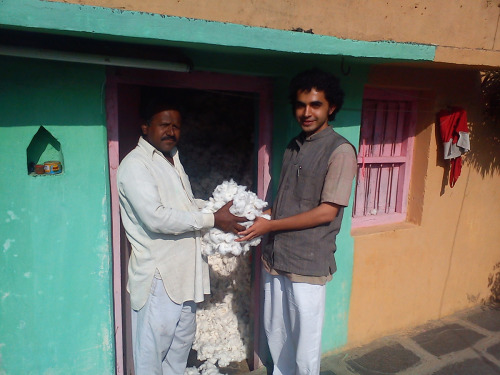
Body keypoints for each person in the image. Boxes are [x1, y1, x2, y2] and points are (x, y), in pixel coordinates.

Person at [238, 68, 357, 375]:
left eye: (315, 105)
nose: (307, 112)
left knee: (304, 344)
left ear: (331, 107)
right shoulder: (294, 145)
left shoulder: (340, 151)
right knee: (276, 332)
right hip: (276, 257)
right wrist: (263, 217)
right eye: (301, 105)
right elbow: (286, 199)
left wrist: (270, 226)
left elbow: (326, 212)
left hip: (307, 260)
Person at [117, 98, 245, 375]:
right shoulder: (135, 165)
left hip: (185, 274)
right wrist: (212, 219)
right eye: (164, 125)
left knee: (178, 350)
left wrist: (212, 208)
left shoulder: (173, 159)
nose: (171, 132)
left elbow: (183, 206)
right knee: (152, 356)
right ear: (145, 127)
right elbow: (157, 217)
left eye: (176, 126)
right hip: (159, 277)